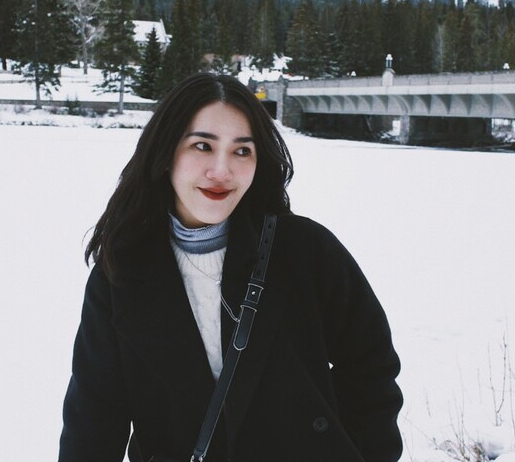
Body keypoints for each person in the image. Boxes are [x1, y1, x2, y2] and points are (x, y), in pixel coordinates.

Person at [59, 72, 403, 462]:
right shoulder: (121, 272)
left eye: (242, 151)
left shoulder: (304, 250)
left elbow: (370, 366)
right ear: (165, 151)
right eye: (202, 146)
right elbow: (94, 416)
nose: (221, 171)